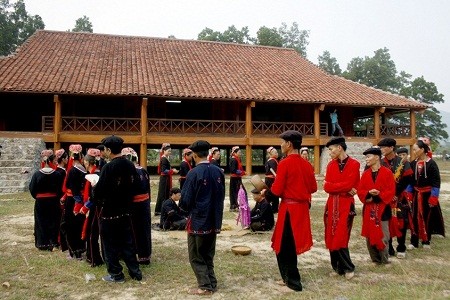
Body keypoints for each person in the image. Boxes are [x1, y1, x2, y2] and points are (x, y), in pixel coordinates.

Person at [265, 130, 317, 291]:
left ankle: (293, 282)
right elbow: (313, 188)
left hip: (288, 209)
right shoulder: (307, 164)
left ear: (289, 144)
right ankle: (288, 278)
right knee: (291, 244)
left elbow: (277, 190)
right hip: (301, 208)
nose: (280, 145)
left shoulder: (285, 163)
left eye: (282, 142)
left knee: (284, 245)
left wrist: (266, 191)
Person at [93, 135, 142, 283]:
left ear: (108, 150)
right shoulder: (130, 165)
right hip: (126, 210)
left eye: (105, 150)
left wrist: (94, 189)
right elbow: (137, 186)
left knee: (110, 245)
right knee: (127, 242)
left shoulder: (108, 167)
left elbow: (100, 191)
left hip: (110, 212)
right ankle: (135, 272)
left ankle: (116, 274)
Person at [179, 140, 225, 296]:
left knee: (196, 255)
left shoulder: (193, 173)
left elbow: (185, 200)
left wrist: (184, 210)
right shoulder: (218, 171)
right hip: (214, 219)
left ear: (194, 154)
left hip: (199, 219)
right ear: (208, 153)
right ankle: (211, 282)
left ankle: (205, 286)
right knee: (208, 254)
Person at [323, 137, 360, 279]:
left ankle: (348, 267)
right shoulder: (331, 165)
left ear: (340, 148)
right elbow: (326, 187)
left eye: (331, 149)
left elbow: (352, 182)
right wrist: (344, 187)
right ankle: (337, 267)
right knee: (331, 233)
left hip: (345, 204)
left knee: (341, 234)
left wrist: (336, 187)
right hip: (332, 203)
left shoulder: (354, 164)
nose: (330, 152)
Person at [357, 147, 396, 265]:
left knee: (384, 235)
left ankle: (384, 259)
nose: (367, 159)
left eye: (368, 157)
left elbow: (391, 190)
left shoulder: (387, 172)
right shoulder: (365, 174)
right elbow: (361, 190)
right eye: (366, 157)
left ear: (377, 157)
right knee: (369, 235)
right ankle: (375, 259)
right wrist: (369, 193)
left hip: (383, 208)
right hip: (369, 208)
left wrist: (379, 195)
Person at [405, 140, 445, 250]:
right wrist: (408, 193)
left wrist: (434, 197)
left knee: (427, 217)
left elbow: (436, 182)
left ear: (422, 150)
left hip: (427, 195)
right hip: (416, 194)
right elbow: (410, 180)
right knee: (413, 217)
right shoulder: (413, 163)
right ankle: (414, 241)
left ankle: (426, 240)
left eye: (415, 149)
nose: (413, 151)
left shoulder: (432, 164)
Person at [377, 138, 413, 259]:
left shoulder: (401, 161)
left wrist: (396, 192)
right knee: (387, 222)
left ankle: (401, 247)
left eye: (383, 147)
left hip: (399, 197)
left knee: (401, 222)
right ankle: (390, 247)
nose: (381, 150)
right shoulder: (381, 162)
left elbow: (408, 178)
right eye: (380, 148)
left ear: (392, 148)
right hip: (386, 198)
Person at [29, 149, 64, 251]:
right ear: (53, 160)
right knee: (53, 221)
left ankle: (42, 243)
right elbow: (60, 190)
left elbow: (32, 188)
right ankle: (53, 242)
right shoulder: (57, 174)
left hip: (40, 202)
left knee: (41, 222)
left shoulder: (37, 174)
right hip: (53, 201)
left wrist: (38, 196)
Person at [122, 147, 152, 265]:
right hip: (145, 204)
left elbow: (127, 191)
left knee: (134, 229)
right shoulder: (143, 170)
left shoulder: (129, 172)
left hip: (134, 205)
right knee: (144, 229)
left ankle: (135, 253)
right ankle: (145, 255)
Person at [60, 144, 86, 260]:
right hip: (80, 199)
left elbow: (72, 189)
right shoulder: (84, 169)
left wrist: (77, 203)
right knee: (79, 225)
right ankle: (80, 249)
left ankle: (74, 251)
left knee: (71, 225)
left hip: (73, 201)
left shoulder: (73, 171)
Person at [78, 150, 104, 267]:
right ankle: (91, 256)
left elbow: (94, 196)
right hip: (93, 206)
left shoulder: (96, 175)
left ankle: (95, 259)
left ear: (88, 162)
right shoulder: (96, 173)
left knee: (92, 233)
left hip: (95, 208)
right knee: (90, 232)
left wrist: (85, 207)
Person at [155, 143, 178, 216]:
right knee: (163, 195)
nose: (170, 152)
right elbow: (163, 170)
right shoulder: (164, 159)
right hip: (164, 179)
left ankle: (161, 210)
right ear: (164, 151)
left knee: (164, 194)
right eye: (168, 151)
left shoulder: (165, 158)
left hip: (165, 178)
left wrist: (171, 170)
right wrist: (172, 171)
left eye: (170, 151)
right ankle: (160, 210)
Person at [229, 146, 246, 212]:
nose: (240, 153)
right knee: (234, 192)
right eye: (239, 152)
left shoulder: (237, 159)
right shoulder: (233, 159)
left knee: (239, 191)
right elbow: (233, 170)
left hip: (238, 178)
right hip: (234, 179)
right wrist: (242, 172)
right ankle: (233, 206)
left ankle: (236, 205)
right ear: (235, 153)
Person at [264, 146, 279, 213]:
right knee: (274, 193)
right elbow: (274, 171)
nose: (277, 153)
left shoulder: (269, 160)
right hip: (272, 179)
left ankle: (268, 207)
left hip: (268, 179)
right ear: (271, 154)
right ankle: (274, 208)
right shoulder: (273, 161)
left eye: (277, 152)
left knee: (268, 193)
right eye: (275, 152)